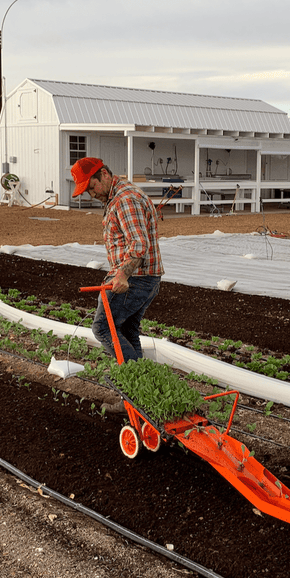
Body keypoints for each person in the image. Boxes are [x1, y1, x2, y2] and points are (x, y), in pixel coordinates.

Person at [71, 157, 164, 401]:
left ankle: (138, 393)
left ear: (103, 174)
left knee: (102, 327)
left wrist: (122, 273)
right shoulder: (119, 195)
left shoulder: (124, 199)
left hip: (136, 279)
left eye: (91, 187)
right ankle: (143, 397)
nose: (91, 194)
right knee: (127, 330)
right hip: (147, 277)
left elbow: (139, 243)